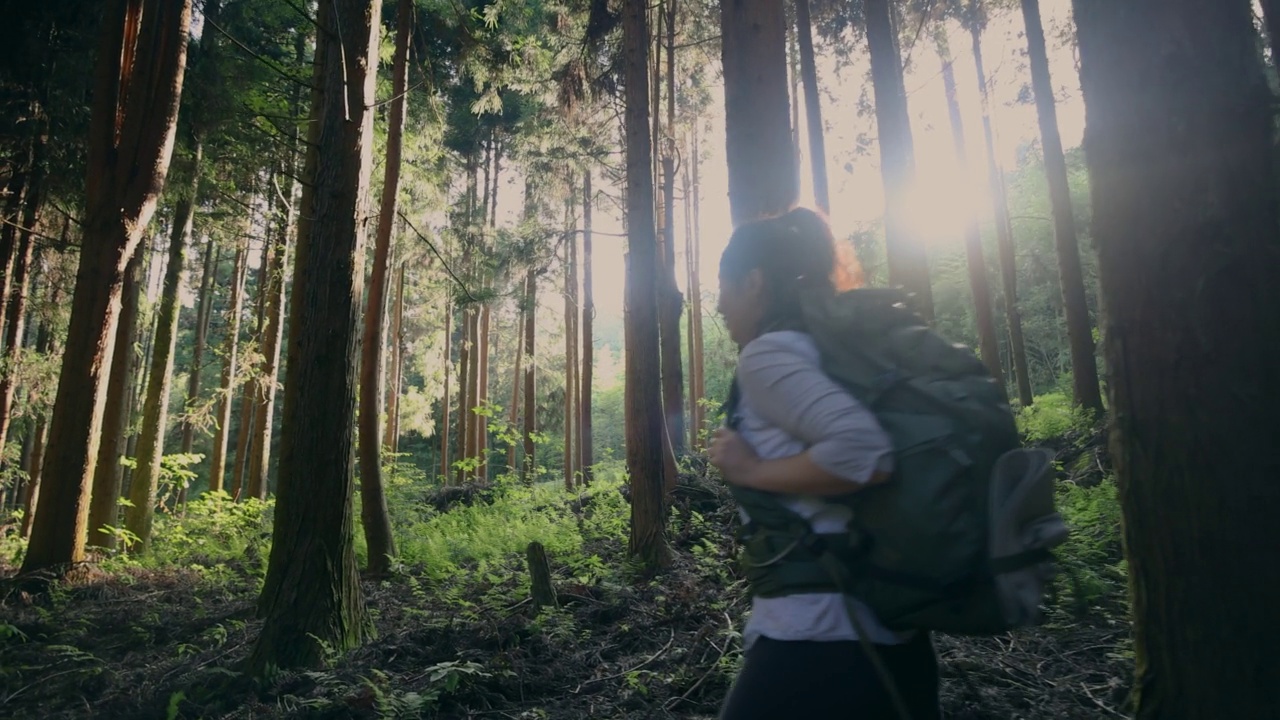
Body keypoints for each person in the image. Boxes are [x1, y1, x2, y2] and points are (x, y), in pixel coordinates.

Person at [707, 207, 942, 720]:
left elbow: (865, 454)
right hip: (890, 635)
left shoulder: (768, 356)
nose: (718, 304)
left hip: (819, 637)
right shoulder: (829, 353)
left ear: (754, 282)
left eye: (722, 286)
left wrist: (750, 471)